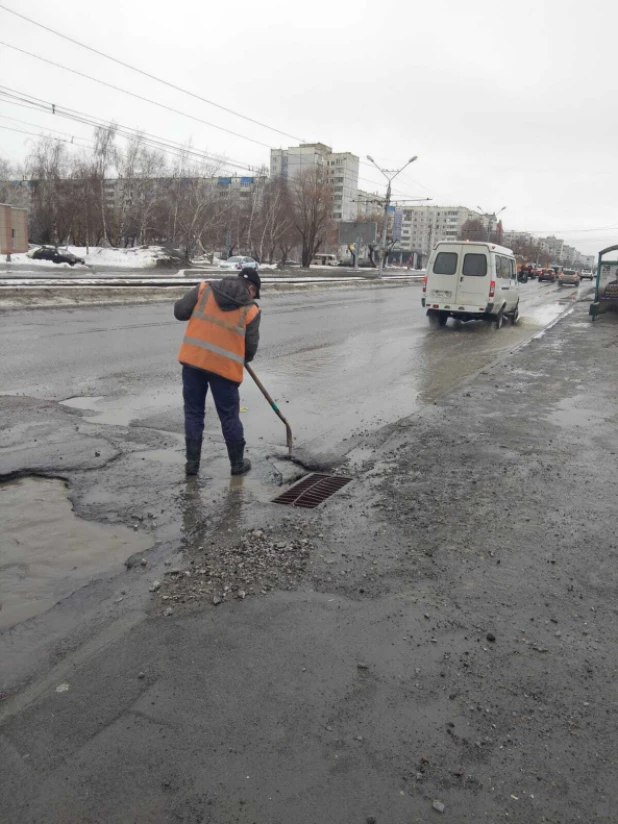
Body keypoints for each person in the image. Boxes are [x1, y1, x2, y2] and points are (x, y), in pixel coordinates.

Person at [174, 267, 261, 476]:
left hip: (193, 362)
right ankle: (237, 464)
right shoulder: (251, 310)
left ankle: (192, 465)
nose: (254, 297)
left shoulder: (204, 288)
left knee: (194, 413)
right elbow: (249, 350)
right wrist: (238, 352)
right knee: (229, 416)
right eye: (255, 293)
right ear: (250, 287)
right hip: (224, 370)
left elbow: (179, 312)